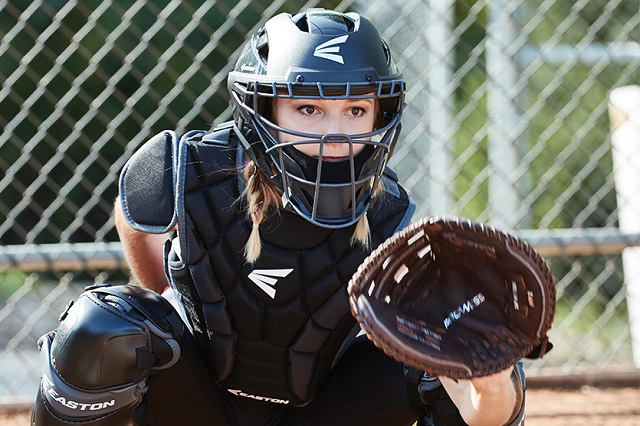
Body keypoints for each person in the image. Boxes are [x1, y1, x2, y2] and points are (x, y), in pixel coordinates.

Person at [32, 8, 526, 426]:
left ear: (381, 114)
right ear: (262, 109)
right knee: (101, 330)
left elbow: (484, 416)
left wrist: (492, 384)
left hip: (320, 406)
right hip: (198, 399)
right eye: (308, 109)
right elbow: (133, 217)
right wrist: (161, 296)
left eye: (355, 110)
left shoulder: (391, 215)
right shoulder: (188, 168)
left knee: (459, 350)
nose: (336, 135)